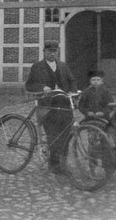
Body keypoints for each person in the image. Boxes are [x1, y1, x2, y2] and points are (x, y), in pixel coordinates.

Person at [25, 40, 76, 174]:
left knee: (66, 135)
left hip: (64, 105)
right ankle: (54, 165)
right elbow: (29, 85)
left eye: (55, 51)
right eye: (49, 51)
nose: (52, 54)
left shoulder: (63, 66)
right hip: (47, 106)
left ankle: (63, 162)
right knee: (53, 136)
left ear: (57, 52)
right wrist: (42, 87)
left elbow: (72, 81)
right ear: (44, 51)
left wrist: (71, 91)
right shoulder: (37, 67)